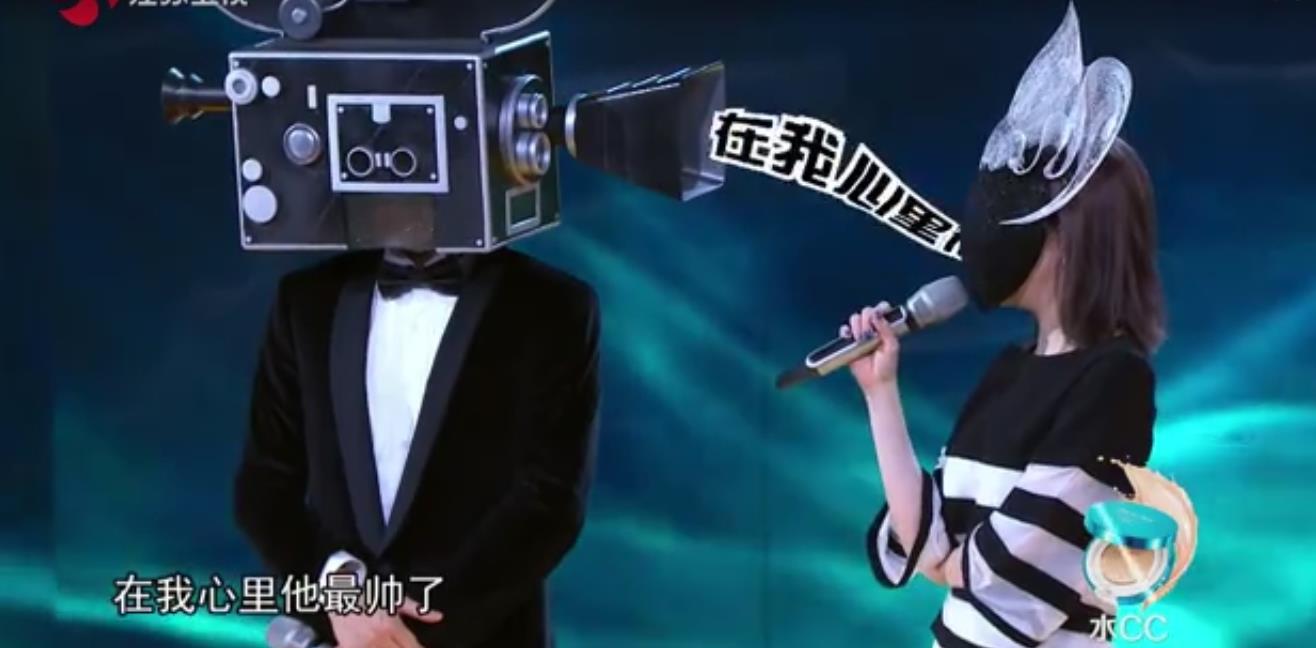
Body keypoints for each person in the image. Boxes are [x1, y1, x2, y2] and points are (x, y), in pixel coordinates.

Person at [845, 7, 1166, 647]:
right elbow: (927, 540)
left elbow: (1007, 574)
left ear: (1068, 238)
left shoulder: (1114, 382)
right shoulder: (1010, 370)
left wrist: (951, 565)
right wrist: (880, 392)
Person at [234, 247, 600, 648]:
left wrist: (410, 632)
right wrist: (343, 598)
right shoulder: (306, 298)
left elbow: (550, 501)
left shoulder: (554, 303)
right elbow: (264, 486)